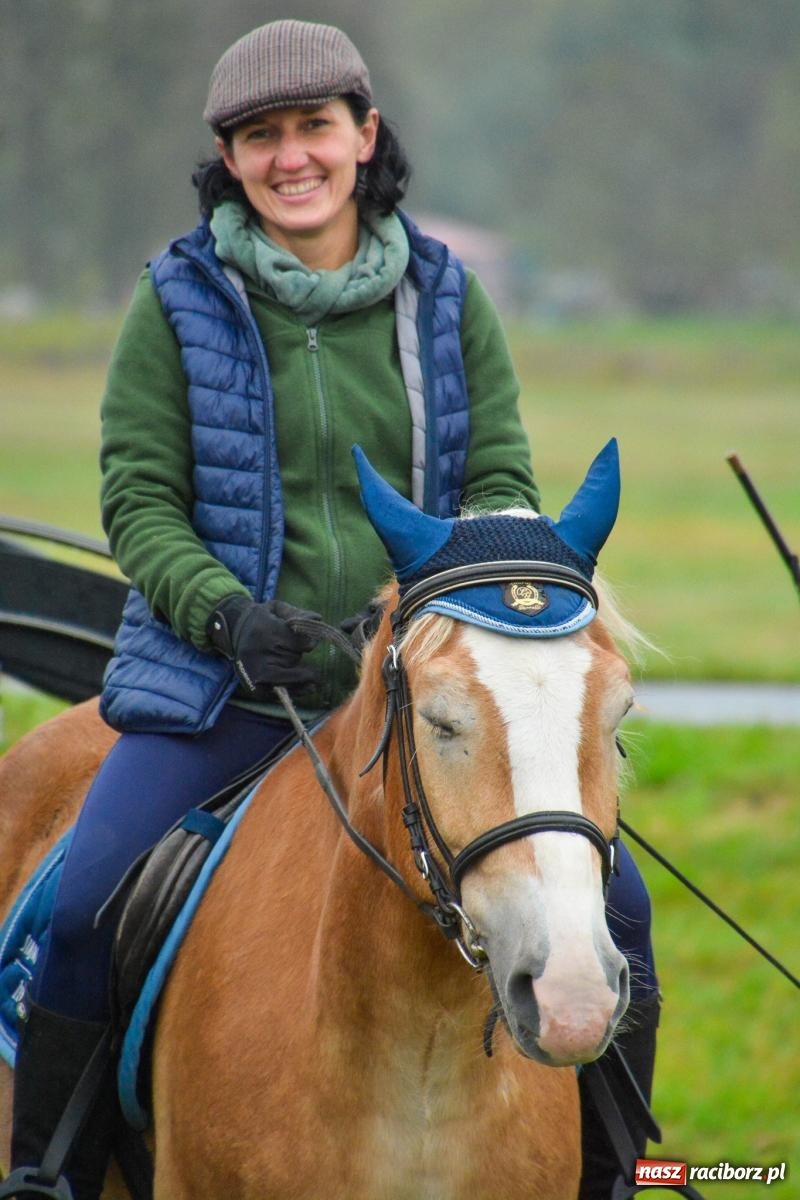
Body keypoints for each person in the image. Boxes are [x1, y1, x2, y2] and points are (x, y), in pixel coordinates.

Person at [0, 19, 658, 1200]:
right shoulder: (175, 299)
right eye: (261, 136)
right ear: (229, 155)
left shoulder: (448, 297)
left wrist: (438, 606)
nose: (289, 156)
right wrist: (226, 616)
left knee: (619, 903)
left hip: (420, 687)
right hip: (222, 684)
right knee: (89, 896)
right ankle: (45, 1168)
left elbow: (497, 479)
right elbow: (139, 500)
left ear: (363, 136)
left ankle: (625, 1175)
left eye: (313, 128)